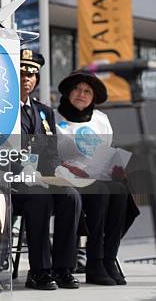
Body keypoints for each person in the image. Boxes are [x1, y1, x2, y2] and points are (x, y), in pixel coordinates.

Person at [55, 70, 138, 285]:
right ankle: (94, 259)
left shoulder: (102, 120)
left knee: (120, 189)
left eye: (87, 91)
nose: (81, 94)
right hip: (67, 177)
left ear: (93, 97)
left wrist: (116, 167)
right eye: (77, 89)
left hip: (98, 175)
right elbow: (49, 155)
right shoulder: (53, 117)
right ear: (68, 92)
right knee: (100, 190)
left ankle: (108, 257)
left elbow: (107, 151)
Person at [11, 49, 82, 290]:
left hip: (41, 177)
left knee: (71, 196)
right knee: (39, 198)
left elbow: (50, 153)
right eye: (21, 72)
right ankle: (39, 271)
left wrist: (58, 172)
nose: (26, 78)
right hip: (14, 183)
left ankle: (63, 268)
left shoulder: (44, 112)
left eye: (31, 74)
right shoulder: (2, 110)